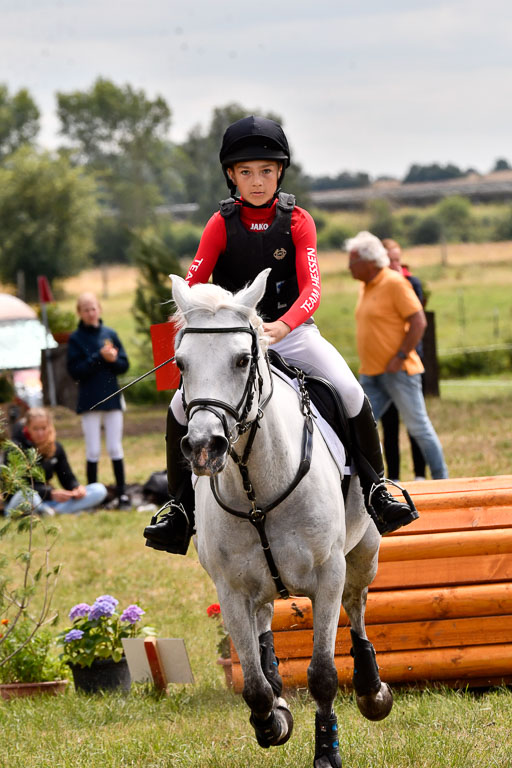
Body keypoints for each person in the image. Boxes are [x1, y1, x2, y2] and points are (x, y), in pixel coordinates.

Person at [143, 115, 417, 555]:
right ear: (231, 175)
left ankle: (376, 490)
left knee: (350, 392)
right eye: (247, 172)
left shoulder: (298, 220)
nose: (257, 181)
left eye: (267, 171)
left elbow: (312, 289)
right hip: (233, 338)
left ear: (280, 173)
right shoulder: (219, 223)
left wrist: (283, 325)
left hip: (290, 332)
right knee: (179, 407)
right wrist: (197, 313)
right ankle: (179, 511)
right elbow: (194, 281)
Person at [346, 230, 448, 482]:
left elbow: (418, 321)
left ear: (369, 262)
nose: (348, 267)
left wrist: (401, 356)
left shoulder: (394, 282)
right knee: (359, 430)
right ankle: (365, 481)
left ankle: (441, 479)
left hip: (398, 372)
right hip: (371, 374)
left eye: (352, 261)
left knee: (419, 428)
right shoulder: (365, 286)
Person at [66, 292, 131, 509]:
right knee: (93, 449)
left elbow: (124, 365)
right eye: (86, 309)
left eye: (93, 308)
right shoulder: (75, 338)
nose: (90, 313)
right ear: (80, 313)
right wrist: (98, 358)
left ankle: (122, 493)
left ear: (99, 309)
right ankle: (93, 494)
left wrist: (112, 360)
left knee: (115, 447)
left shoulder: (109, 333)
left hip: (112, 398)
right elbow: (75, 371)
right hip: (89, 401)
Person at [380, 238, 427, 481]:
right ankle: (395, 477)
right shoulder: (374, 287)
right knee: (388, 426)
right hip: (383, 366)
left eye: (398, 260)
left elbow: (414, 320)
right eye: (391, 261)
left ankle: (420, 474)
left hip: (408, 364)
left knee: (415, 423)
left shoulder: (411, 283)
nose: (396, 265)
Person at [4, 407, 107, 516]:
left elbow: (66, 476)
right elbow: (15, 487)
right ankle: (57, 511)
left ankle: (51, 512)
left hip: (48, 501)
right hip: (21, 501)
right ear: (27, 427)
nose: (40, 433)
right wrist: (49, 493)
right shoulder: (14, 448)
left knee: (99, 489)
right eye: (35, 429)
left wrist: (76, 488)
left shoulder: (56, 448)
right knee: (30, 495)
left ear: (49, 427)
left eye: (44, 428)